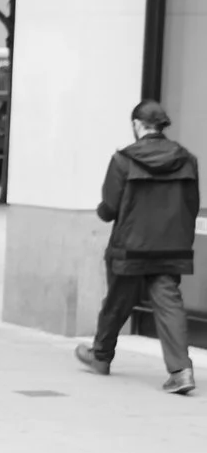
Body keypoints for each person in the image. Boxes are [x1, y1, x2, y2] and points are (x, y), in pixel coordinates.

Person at [76, 100, 197, 395]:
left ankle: (101, 357)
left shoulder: (123, 160)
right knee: (170, 307)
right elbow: (191, 205)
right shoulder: (188, 159)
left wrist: (102, 211)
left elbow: (111, 206)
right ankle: (181, 371)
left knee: (117, 302)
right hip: (170, 247)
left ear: (137, 125)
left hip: (130, 247)